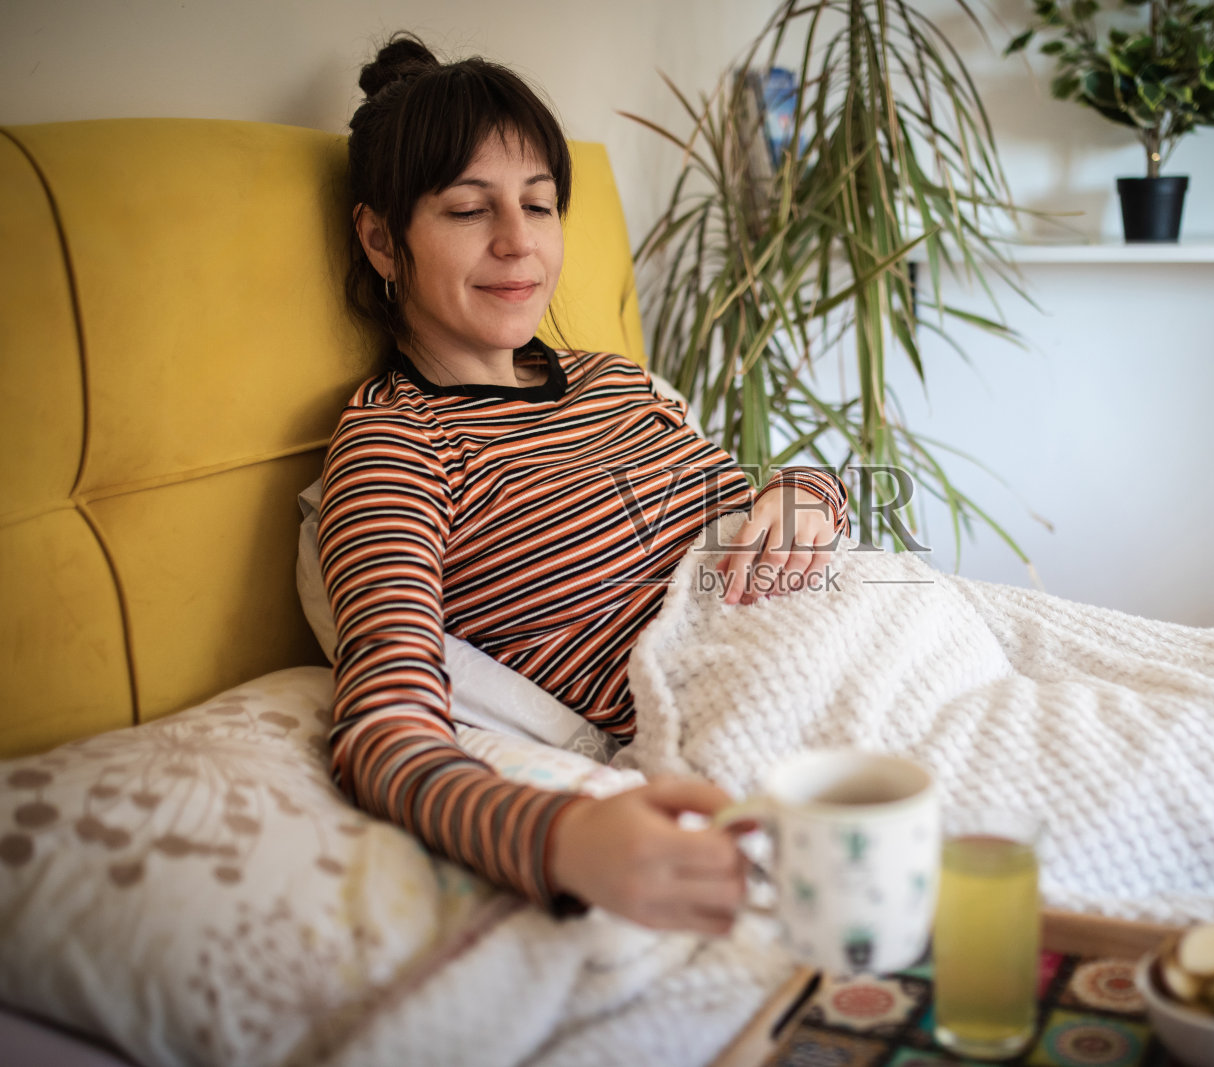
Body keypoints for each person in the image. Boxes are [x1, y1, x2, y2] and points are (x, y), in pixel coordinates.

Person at [321, 33, 849, 936]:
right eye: (465, 209)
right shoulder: (396, 445)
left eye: (540, 203)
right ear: (380, 237)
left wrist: (808, 495)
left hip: (865, 631)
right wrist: (560, 838)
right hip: (765, 724)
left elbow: (743, 509)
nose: (519, 242)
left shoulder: (616, 378)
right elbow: (383, 729)